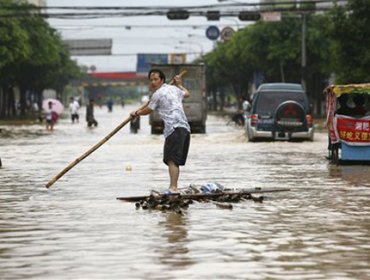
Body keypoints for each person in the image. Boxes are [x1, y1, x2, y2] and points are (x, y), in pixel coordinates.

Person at [130, 69, 191, 193]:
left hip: (174, 128)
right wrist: (179, 84)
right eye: (151, 80)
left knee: (172, 160)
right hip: (185, 128)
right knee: (174, 160)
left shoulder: (157, 94)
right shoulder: (174, 89)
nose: (153, 82)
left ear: (162, 80)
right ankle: (174, 187)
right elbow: (187, 93)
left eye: (156, 79)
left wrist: (136, 113)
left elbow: (148, 110)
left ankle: (173, 187)